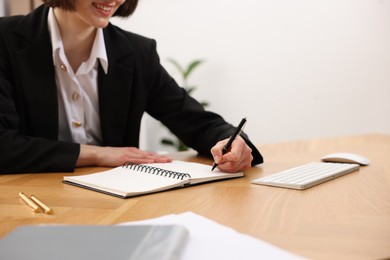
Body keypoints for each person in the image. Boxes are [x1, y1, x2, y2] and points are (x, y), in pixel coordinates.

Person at [0, 0, 263, 174]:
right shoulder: (5, 41)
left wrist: (233, 144)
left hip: (114, 204)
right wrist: (97, 155)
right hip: (28, 201)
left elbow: (197, 122)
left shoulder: (137, 53)